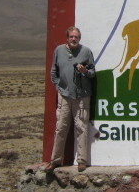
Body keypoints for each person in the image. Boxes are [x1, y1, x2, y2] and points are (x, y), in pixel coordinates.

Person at [44, 26, 96, 173]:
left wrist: (85, 71)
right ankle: (55, 160)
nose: (74, 39)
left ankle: (81, 161)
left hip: (82, 95)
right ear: (67, 38)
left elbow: (92, 73)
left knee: (82, 128)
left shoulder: (86, 52)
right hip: (65, 96)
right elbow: (54, 71)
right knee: (61, 127)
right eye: (71, 37)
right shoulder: (59, 51)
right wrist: (59, 87)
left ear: (79, 38)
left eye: (76, 37)